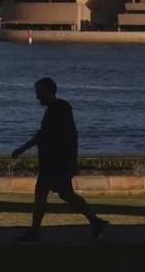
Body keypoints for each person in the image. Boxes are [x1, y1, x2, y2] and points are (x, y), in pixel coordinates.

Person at [11, 77, 107, 244]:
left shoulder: (58, 109)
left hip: (55, 163)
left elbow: (44, 135)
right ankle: (94, 221)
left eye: (39, 93)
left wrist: (22, 148)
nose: (37, 97)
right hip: (55, 162)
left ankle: (36, 232)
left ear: (49, 92)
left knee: (50, 194)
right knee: (61, 194)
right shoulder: (59, 108)